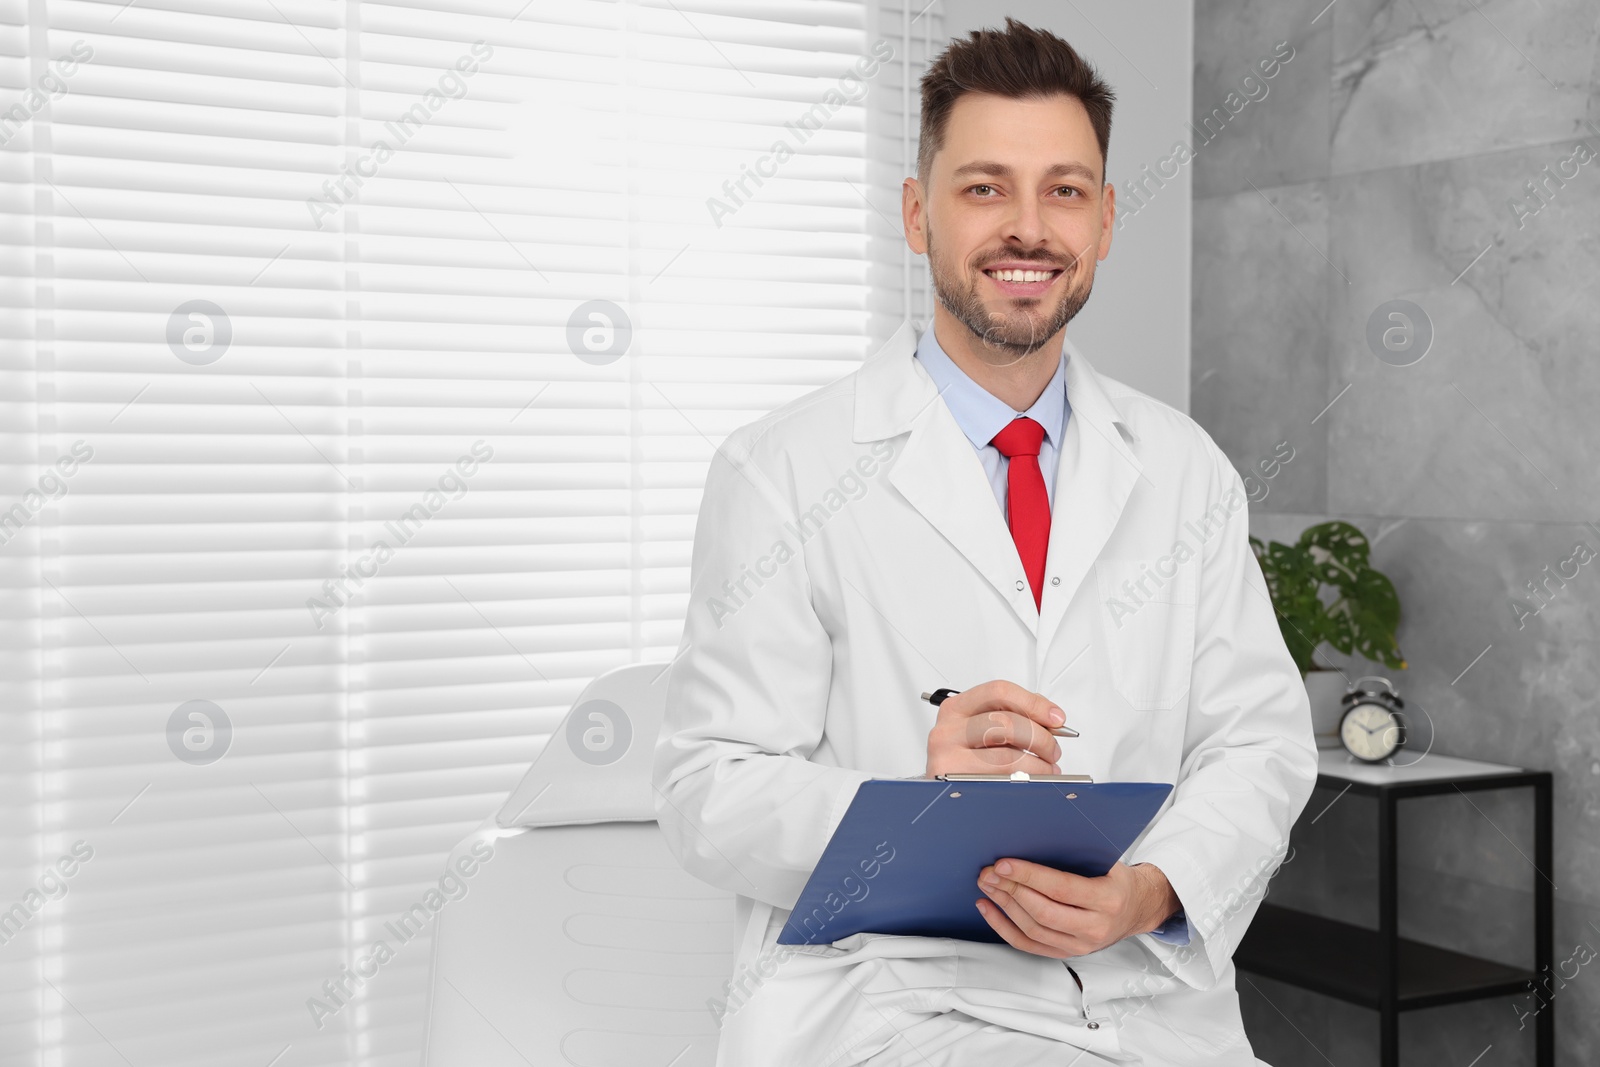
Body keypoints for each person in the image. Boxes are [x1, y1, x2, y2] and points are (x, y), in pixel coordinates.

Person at [653, 17, 1316, 1066]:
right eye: (982, 187)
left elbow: (1260, 745)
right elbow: (707, 786)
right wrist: (910, 806)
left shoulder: (1184, 468)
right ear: (917, 216)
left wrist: (1150, 888)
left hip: (1135, 994)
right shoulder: (780, 470)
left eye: (1064, 189)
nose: (1027, 227)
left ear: (1104, 222)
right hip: (880, 995)